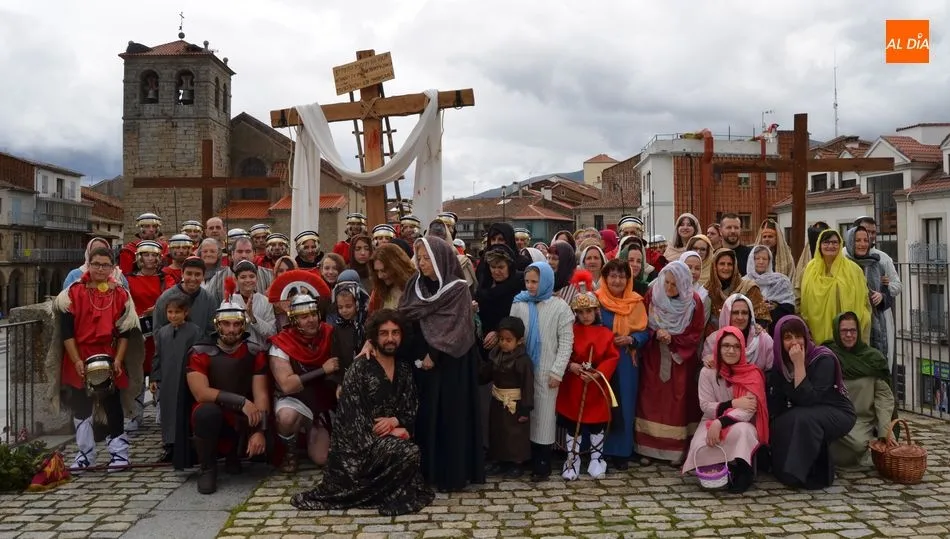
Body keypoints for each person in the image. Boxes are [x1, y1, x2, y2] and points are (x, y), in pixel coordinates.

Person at [293, 309, 435, 515]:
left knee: (408, 450)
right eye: (384, 333)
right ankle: (379, 491)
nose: (390, 338)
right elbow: (350, 418)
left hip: (393, 440)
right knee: (408, 452)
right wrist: (385, 433)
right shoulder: (360, 368)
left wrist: (395, 422)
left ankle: (387, 489)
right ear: (374, 336)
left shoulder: (404, 368)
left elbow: (411, 405)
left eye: (395, 333)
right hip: (359, 449)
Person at [397, 236, 484, 491]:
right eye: (420, 258)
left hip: (452, 363)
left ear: (441, 260)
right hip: (422, 362)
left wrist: (434, 355)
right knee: (427, 415)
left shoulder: (457, 289)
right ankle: (428, 472)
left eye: (427, 258)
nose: (421, 264)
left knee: (450, 417)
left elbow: (455, 327)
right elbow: (406, 313)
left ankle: (451, 474)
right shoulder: (416, 285)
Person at [53, 247, 142, 470]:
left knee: (112, 404)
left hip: (109, 353)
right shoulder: (71, 293)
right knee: (81, 404)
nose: (100, 269)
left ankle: (119, 453)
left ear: (112, 268)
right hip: (79, 353)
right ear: (88, 264)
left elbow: (124, 332)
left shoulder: (121, 294)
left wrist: (119, 360)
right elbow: (67, 332)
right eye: (96, 264)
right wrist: (76, 361)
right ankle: (85, 453)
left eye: (105, 265)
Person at [180, 300, 270, 493]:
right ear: (217, 324)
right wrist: (241, 402)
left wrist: (260, 430)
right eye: (226, 324)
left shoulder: (254, 352)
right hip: (214, 411)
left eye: (237, 324)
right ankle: (207, 467)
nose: (231, 329)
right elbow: (200, 392)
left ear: (243, 325)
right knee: (206, 413)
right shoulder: (200, 352)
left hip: (241, 417)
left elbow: (261, 394)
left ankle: (234, 454)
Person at [767, 315, 856, 489]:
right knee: (782, 421)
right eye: (787, 337)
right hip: (805, 412)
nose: (794, 342)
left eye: (799, 336)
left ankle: (802, 474)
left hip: (836, 411)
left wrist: (799, 364)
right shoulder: (781, 366)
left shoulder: (823, 359)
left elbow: (808, 399)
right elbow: (777, 404)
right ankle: (782, 469)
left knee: (802, 418)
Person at [682, 327, 768, 494]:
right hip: (709, 420)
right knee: (700, 445)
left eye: (736, 346)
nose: (731, 350)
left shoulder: (751, 374)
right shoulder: (708, 372)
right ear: (718, 348)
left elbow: (749, 409)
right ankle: (725, 468)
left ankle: (744, 470)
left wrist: (721, 422)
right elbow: (705, 406)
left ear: (742, 349)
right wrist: (733, 403)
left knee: (742, 432)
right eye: (726, 345)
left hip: (740, 422)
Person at [636, 261, 705, 466]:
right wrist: (655, 332)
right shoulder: (653, 294)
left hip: (679, 360)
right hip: (654, 355)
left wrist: (674, 339)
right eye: (666, 282)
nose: (669, 288)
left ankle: (676, 450)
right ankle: (646, 448)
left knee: (678, 401)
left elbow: (695, 332)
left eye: (674, 285)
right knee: (651, 398)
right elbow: (641, 322)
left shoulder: (693, 302)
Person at [510, 262, 574, 481]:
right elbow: (513, 336)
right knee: (522, 414)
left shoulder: (559, 307)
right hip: (523, 369)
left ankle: (542, 462)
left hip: (547, 370)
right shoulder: (519, 304)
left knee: (544, 417)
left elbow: (566, 342)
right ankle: (520, 458)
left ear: (545, 281)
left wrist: (557, 371)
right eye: (527, 281)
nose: (530, 286)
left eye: (535, 281)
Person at [270, 294, 345, 472]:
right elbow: (286, 385)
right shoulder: (282, 343)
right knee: (286, 417)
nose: (311, 320)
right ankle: (290, 452)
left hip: (323, 403)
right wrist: (322, 370)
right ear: (294, 320)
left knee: (322, 458)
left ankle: (317, 431)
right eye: (304, 317)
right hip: (296, 400)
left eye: (313, 314)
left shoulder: (330, 333)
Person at [557, 276, 620, 480]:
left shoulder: (605, 334)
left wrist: (597, 372)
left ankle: (596, 459)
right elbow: (563, 351)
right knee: (572, 424)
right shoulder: (570, 331)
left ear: (596, 311)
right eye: (581, 312)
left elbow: (612, 356)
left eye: (589, 311)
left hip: (595, 385)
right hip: (574, 384)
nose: (585, 316)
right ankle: (572, 459)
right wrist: (571, 366)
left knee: (596, 424)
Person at [593, 259, 649, 470]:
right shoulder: (596, 300)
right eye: (612, 276)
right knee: (601, 401)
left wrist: (631, 339)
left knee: (624, 404)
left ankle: (622, 452)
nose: (617, 280)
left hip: (626, 360)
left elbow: (645, 331)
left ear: (628, 279)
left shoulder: (636, 302)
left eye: (621, 276)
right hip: (602, 358)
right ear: (605, 278)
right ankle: (600, 449)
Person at [824, 312, 896, 468]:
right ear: (837, 331)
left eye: (853, 330)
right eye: (844, 331)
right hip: (832, 417)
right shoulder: (828, 355)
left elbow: (884, 398)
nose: (849, 335)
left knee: (857, 445)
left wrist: (885, 432)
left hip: (859, 420)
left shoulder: (873, 359)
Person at [481, 316, 534, 479]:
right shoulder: (495, 355)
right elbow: (487, 374)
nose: (504, 343)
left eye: (508, 340)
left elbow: (527, 385)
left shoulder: (522, 361)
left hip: (514, 403)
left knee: (514, 434)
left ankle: (516, 462)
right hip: (498, 400)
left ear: (519, 341)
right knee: (498, 431)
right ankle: (499, 459)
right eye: (501, 339)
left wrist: (525, 408)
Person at [151, 296, 202, 462]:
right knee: (168, 413)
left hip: (185, 378)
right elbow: (157, 356)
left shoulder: (194, 331)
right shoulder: (163, 333)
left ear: (185, 313)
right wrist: (154, 377)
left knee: (185, 411)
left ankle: (188, 445)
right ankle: (169, 445)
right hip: (167, 379)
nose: (173, 316)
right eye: (170, 312)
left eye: (177, 312)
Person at [800, 229, 871, 346]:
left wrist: (863, 320)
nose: (830, 246)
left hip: (847, 333)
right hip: (816, 330)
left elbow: (864, 299)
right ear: (819, 245)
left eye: (834, 242)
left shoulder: (853, 269)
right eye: (826, 242)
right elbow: (803, 298)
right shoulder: (810, 269)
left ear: (840, 245)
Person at [124, 240, 167, 432]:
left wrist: (157, 309)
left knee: (160, 372)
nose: (150, 259)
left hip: (158, 333)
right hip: (137, 333)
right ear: (139, 258)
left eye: (154, 255)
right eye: (146, 255)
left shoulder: (164, 279)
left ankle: (162, 412)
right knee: (136, 374)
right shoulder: (128, 280)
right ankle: (134, 414)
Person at [844, 226, 891, 355]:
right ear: (850, 242)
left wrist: (881, 296)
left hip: (875, 326)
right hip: (851, 324)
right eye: (857, 240)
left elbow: (888, 298)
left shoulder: (877, 265)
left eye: (866, 240)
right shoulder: (843, 266)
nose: (862, 244)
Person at [702, 294, 774, 371]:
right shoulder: (713, 341)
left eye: (744, 313)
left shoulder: (764, 340)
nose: (740, 317)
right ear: (727, 314)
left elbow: (771, 374)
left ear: (750, 315)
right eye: (735, 313)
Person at [153, 257, 216, 336]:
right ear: (182, 273)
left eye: (197, 274)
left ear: (203, 276)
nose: (193, 278)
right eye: (189, 274)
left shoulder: (209, 299)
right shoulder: (165, 298)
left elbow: (211, 331)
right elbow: (158, 331)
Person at [225, 261, 277, 345]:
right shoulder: (229, 301)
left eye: (252, 276)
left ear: (257, 278)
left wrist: (252, 317)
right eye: (243, 277)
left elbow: (272, 333)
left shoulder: (265, 301)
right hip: (236, 351)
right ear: (236, 279)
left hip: (260, 352)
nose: (248, 280)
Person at [745, 245, 796, 331]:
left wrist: (774, 306)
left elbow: (789, 307)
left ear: (769, 261)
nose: (761, 262)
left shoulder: (781, 281)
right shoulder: (744, 282)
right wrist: (759, 307)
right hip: (752, 329)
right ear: (751, 260)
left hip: (776, 327)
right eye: (757, 258)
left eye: (764, 259)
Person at [64, 237, 128, 290]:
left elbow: (126, 298)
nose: (99, 254)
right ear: (89, 252)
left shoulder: (118, 275)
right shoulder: (74, 275)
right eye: (95, 250)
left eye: (103, 250)